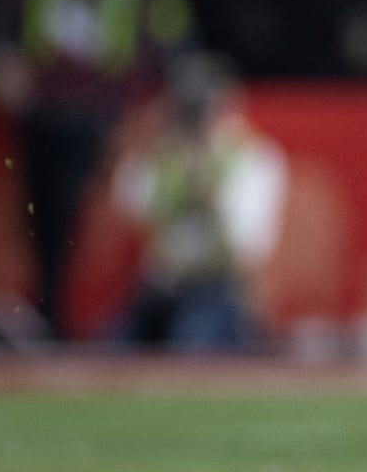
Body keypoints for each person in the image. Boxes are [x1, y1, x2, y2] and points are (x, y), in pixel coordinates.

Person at [0, 0, 193, 333]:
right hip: (43, 108)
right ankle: (50, 313)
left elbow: (173, 29)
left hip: (108, 112)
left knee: (86, 213)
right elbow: (4, 18)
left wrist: (166, 87)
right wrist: (3, 62)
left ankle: (87, 319)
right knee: (41, 213)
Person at [109, 54, 286, 351]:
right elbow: (128, 204)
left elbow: (249, 247)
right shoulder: (165, 154)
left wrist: (211, 188)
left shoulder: (249, 159)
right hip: (161, 287)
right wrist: (151, 146)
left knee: (188, 348)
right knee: (108, 352)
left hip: (217, 289)